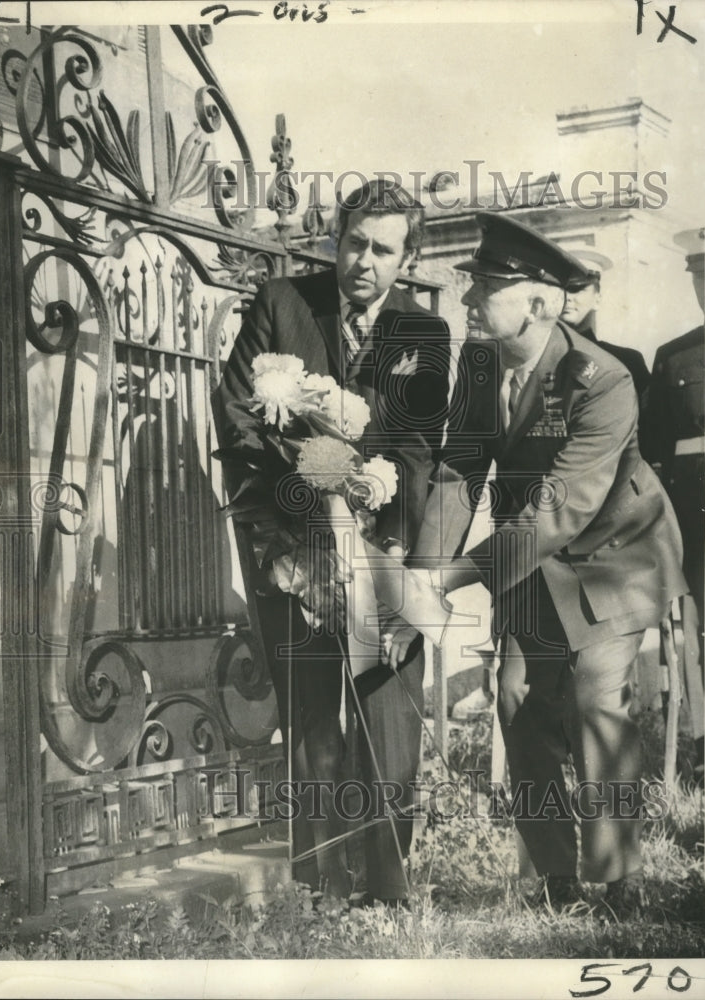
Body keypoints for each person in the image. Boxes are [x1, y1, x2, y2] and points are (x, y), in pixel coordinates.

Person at [409, 211, 686, 912]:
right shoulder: (479, 365)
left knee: (596, 698)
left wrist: (453, 577)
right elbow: (457, 470)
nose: (466, 302)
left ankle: (615, 879)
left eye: (483, 289)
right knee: (515, 702)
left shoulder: (602, 379)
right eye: (469, 286)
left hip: (612, 556)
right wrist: (420, 573)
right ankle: (557, 875)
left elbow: (560, 509)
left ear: (535, 302)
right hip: (532, 560)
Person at [212, 180, 451, 904]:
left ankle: (384, 888)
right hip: (290, 546)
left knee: (387, 718)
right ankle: (317, 884)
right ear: (333, 240)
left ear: (405, 257)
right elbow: (236, 413)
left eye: (383, 249)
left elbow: (414, 447)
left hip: (382, 545)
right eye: (353, 243)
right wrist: (306, 482)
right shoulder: (282, 304)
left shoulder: (424, 335)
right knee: (310, 717)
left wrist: (370, 508)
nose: (364, 262)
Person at [641, 227, 705, 782]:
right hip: (697, 518)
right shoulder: (676, 355)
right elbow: (654, 457)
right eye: (702, 275)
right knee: (701, 629)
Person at [560, 251, 651, 401]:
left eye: (577, 289)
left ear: (597, 300)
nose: (568, 297)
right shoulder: (534, 358)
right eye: (562, 289)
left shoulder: (627, 361)